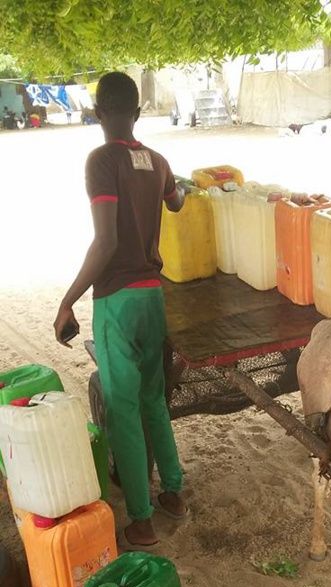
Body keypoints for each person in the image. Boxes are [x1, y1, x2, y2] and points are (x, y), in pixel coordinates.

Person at [53, 71, 188, 551]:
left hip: (116, 300)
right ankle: (173, 491)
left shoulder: (101, 160)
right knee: (153, 399)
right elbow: (177, 203)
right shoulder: (158, 160)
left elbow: (106, 241)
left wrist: (68, 299)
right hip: (153, 297)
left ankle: (141, 519)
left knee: (124, 411)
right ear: (136, 112)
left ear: (96, 114)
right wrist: (177, 186)